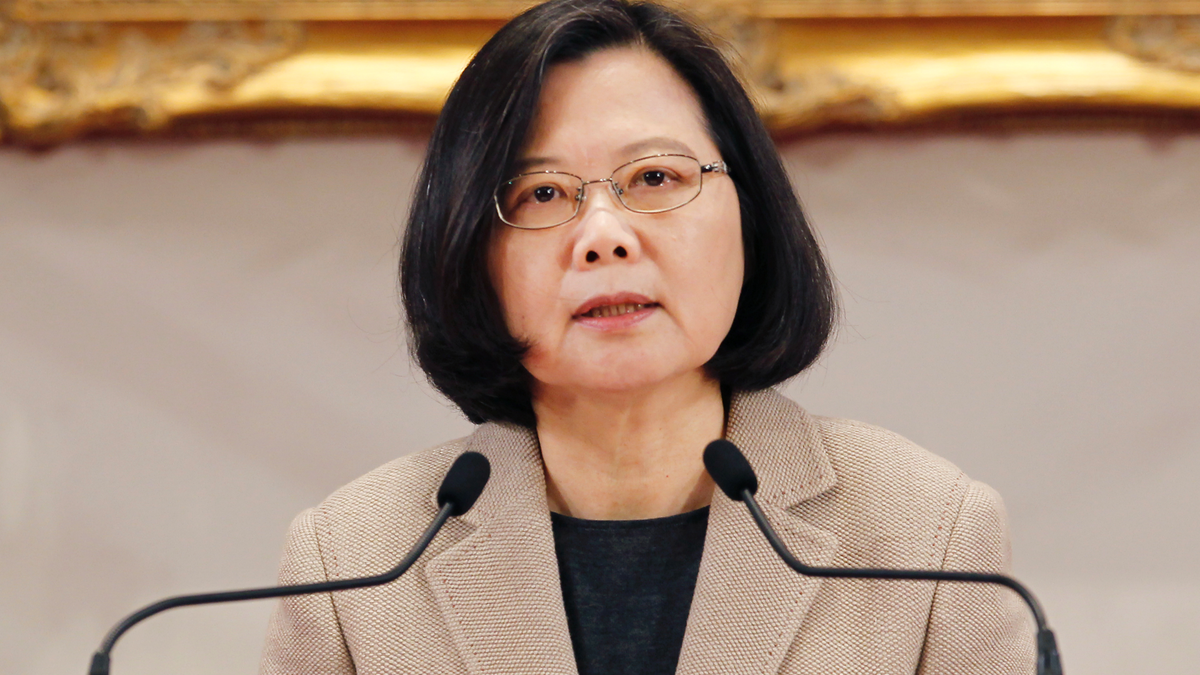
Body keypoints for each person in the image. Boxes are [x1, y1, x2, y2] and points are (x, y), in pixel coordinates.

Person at [260, 1, 1034, 673]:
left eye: (655, 179)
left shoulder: (927, 536)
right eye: (543, 193)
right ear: (470, 251)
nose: (604, 237)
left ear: (750, 214)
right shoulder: (352, 565)